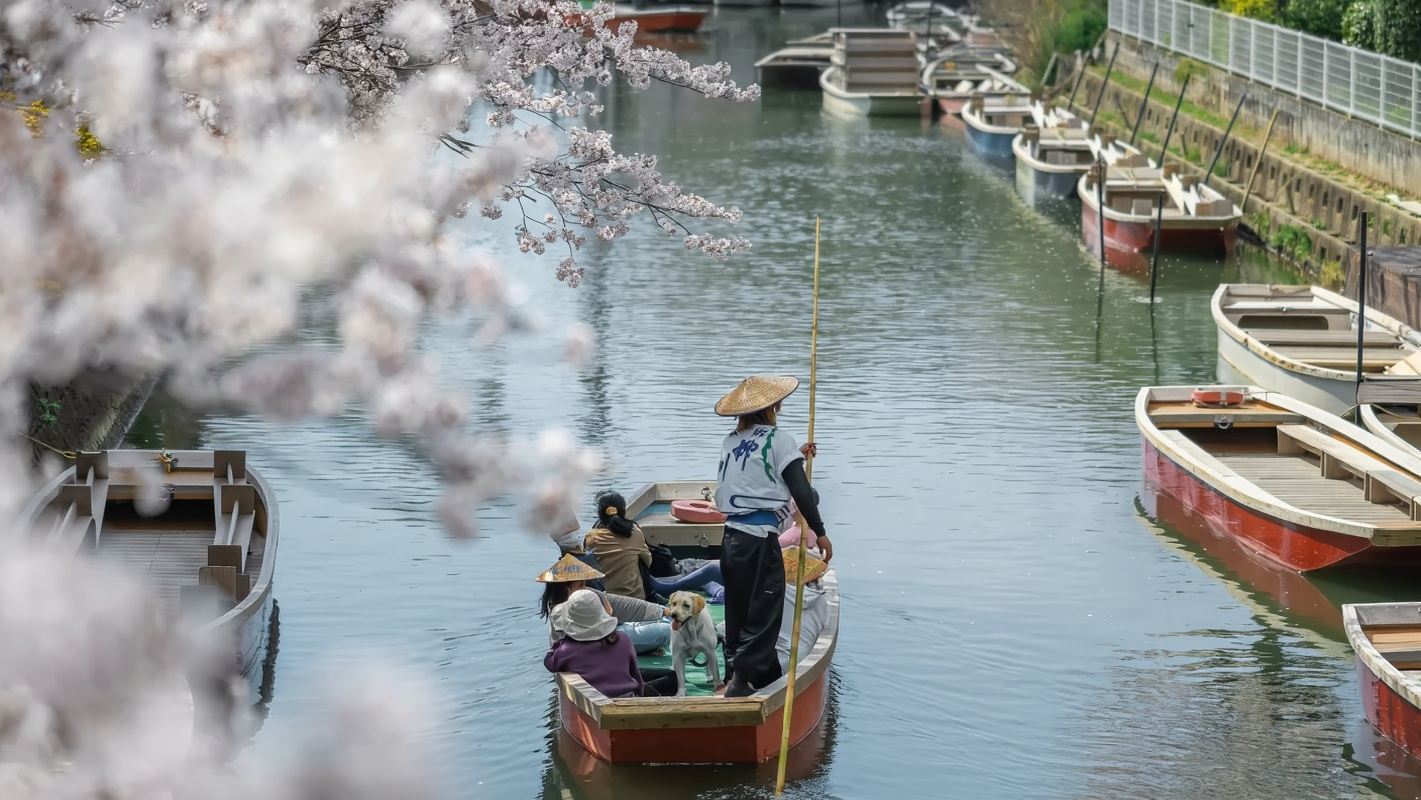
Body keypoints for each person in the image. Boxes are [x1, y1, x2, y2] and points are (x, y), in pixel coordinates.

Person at [713, 374, 830, 698]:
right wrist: (820, 532)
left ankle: (746, 673)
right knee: (765, 612)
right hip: (759, 540)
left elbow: (754, 475)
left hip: (732, 537)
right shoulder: (779, 439)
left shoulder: (731, 441)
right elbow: (801, 493)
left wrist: (797, 455)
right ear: (772, 407)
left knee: (738, 608)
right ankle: (740, 681)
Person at [544, 589, 679, 697]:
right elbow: (635, 675)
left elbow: (549, 662)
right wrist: (642, 693)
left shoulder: (566, 650)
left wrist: (560, 643)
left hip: (598, 699)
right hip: (627, 695)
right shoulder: (623, 639)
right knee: (672, 677)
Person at [536, 554, 670, 654]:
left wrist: (662, 611)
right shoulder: (560, 610)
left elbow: (626, 605)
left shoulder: (586, 595)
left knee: (667, 618)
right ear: (565, 588)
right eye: (581, 584)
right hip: (608, 642)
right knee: (668, 630)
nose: (585, 587)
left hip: (615, 634)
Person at [581, 492, 653, 600]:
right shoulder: (635, 532)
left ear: (600, 513)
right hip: (635, 599)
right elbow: (648, 561)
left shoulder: (591, 537)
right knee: (641, 559)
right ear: (623, 511)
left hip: (603, 599)